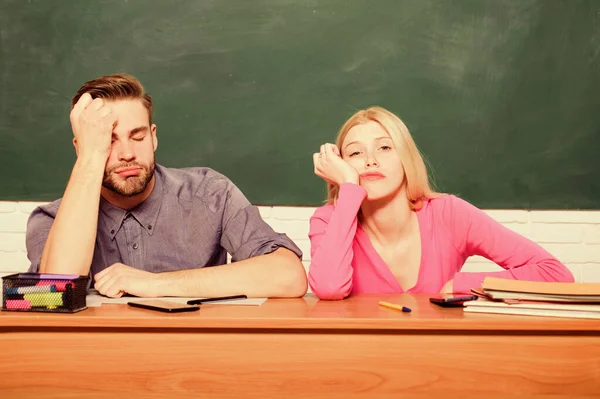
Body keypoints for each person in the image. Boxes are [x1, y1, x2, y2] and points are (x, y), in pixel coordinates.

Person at [26, 73, 307, 299]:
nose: (127, 153)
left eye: (137, 137)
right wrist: (91, 157)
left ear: (153, 137)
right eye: (108, 140)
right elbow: (56, 294)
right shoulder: (50, 220)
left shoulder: (209, 193)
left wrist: (155, 284)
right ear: (82, 149)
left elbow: (288, 276)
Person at [308, 106, 573, 300]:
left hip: (441, 359)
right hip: (361, 360)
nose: (370, 161)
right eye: (355, 152)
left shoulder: (449, 214)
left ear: (405, 158)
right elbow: (329, 288)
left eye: (385, 148)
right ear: (341, 166)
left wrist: (464, 283)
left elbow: (555, 274)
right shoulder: (329, 219)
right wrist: (349, 190)